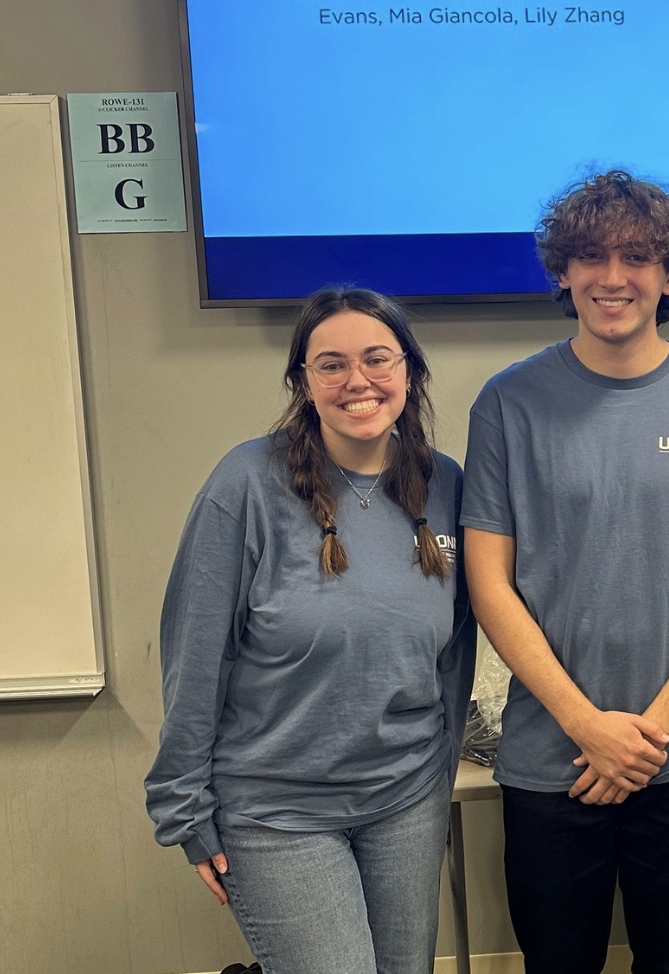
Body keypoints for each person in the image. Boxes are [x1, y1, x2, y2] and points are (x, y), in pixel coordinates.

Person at [461, 169, 669, 974]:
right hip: (551, 757)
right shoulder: (508, 403)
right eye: (592, 256)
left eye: (637, 257)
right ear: (561, 272)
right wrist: (589, 729)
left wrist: (650, 734)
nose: (613, 277)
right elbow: (488, 584)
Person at [145, 287, 476, 974]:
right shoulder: (245, 484)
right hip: (276, 813)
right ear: (303, 381)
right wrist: (183, 805)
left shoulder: (444, 484)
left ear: (410, 370)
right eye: (331, 364)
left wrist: (440, 776)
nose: (357, 380)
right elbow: (194, 653)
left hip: (406, 800)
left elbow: (454, 652)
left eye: (377, 358)